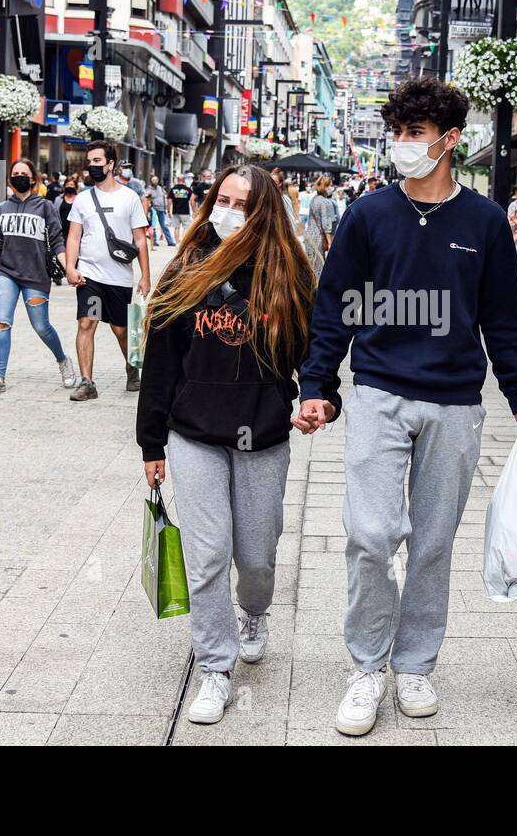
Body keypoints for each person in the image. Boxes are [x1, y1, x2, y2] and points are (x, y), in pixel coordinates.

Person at [296, 77, 517, 737]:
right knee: (372, 535)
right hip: (378, 389)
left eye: (415, 134)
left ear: (450, 140)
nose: (402, 145)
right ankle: (366, 667)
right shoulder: (368, 214)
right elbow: (334, 306)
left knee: (432, 543)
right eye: (398, 133)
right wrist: (316, 383)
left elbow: (502, 316)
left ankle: (414, 663)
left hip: (456, 401)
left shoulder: (486, 223)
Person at [136, 164, 342, 725]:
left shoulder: (289, 275)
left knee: (255, 556)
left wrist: (319, 400)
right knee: (206, 558)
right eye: (220, 199)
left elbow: (315, 357)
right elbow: (159, 363)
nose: (226, 211)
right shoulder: (187, 267)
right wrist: (151, 443)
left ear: (263, 212)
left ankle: (254, 612)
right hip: (193, 435)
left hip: (263, 438)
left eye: (241, 203)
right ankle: (214, 668)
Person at [0, 158, 78, 395]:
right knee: (1, 323)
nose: (19, 176)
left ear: (33, 179)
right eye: (15, 173)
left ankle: (63, 360)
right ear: (10, 178)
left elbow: (57, 241)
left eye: (24, 173)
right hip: (6, 273)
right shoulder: (2, 209)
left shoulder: (45, 207)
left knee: (41, 326)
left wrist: (69, 268)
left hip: (36, 275)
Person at [64, 140, 151, 401]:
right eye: (89, 161)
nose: (91, 165)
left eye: (97, 161)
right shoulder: (82, 199)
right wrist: (70, 266)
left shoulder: (130, 197)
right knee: (86, 322)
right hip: (89, 275)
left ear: (111, 164)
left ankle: (131, 366)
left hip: (119, 277)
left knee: (120, 330)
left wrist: (145, 276)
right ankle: (87, 382)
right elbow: (73, 238)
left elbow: (140, 240)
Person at [303, 174, 337, 279]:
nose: (332, 188)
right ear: (325, 187)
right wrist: (330, 243)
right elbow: (326, 225)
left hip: (310, 236)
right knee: (320, 269)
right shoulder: (325, 202)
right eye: (330, 185)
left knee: (312, 268)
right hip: (319, 238)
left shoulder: (314, 199)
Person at [146, 173, 175, 248]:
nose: (155, 181)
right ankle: (154, 241)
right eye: (153, 180)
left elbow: (165, 197)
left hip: (162, 210)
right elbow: (146, 198)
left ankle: (170, 241)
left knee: (164, 226)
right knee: (153, 226)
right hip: (154, 210)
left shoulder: (160, 188)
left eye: (156, 180)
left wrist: (166, 209)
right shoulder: (149, 189)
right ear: (151, 181)